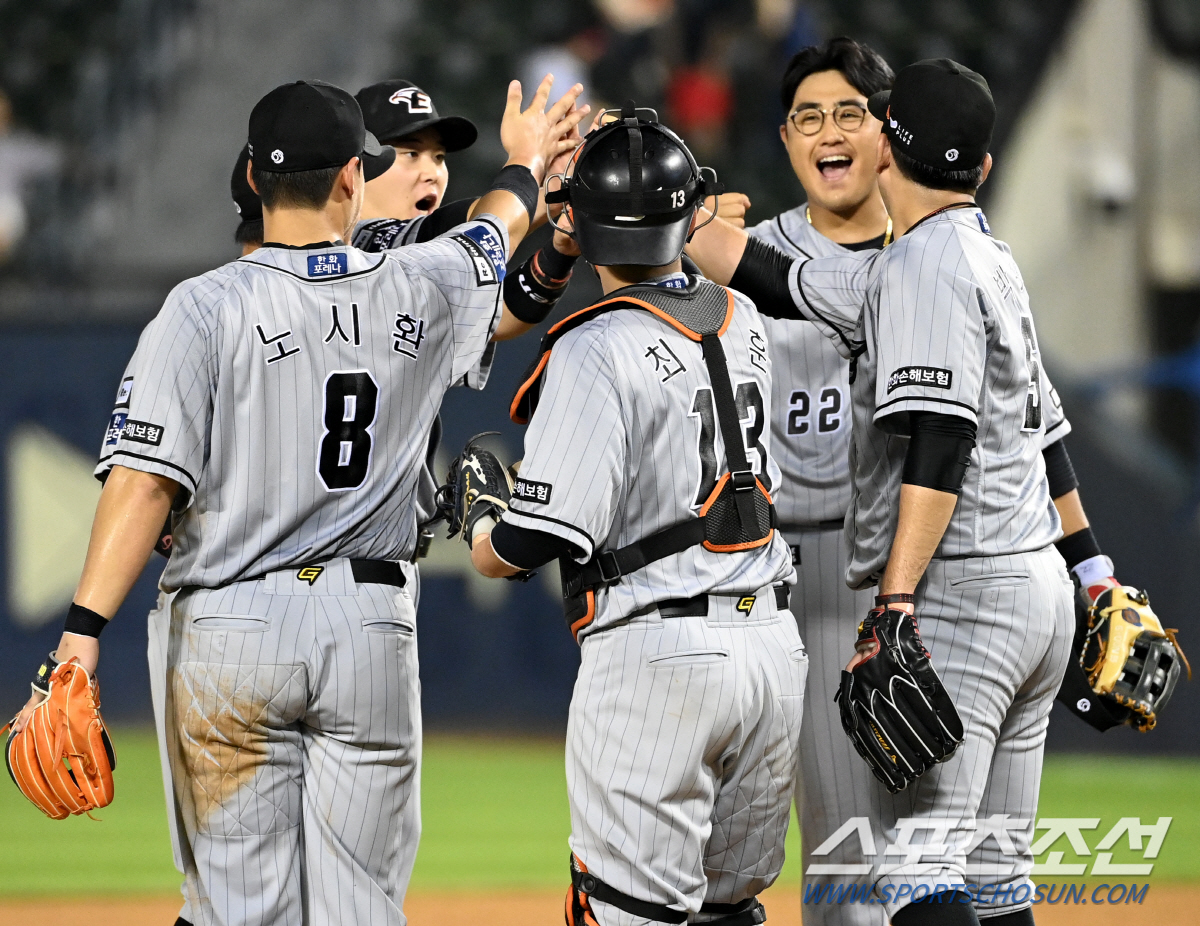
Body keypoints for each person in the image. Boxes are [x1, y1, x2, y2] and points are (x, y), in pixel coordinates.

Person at [11, 75, 583, 926]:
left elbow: (143, 481)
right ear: (353, 177)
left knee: (237, 911)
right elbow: (499, 224)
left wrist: (79, 637)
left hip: (230, 628)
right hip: (370, 628)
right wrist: (529, 162)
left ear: (253, 179)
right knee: (362, 909)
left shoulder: (199, 309)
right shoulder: (417, 281)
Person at [689, 59, 1078, 926]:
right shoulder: (986, 253)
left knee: (909, 868)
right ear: (980, 167)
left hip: (965, 582)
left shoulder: (921, 266)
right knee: (996, 872)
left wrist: (895, 599)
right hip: (1036, 579)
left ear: (885, 147)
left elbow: (940, 440)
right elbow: (795, 282)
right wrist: (1092, 570)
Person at [454, 104, 807, 925]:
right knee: (729, 908)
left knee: (627, 911)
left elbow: (532, 539)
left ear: (577, 220)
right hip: (769, 652)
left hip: (661, 658)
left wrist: (482, 519)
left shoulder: (592, 347)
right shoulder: (744, 317)